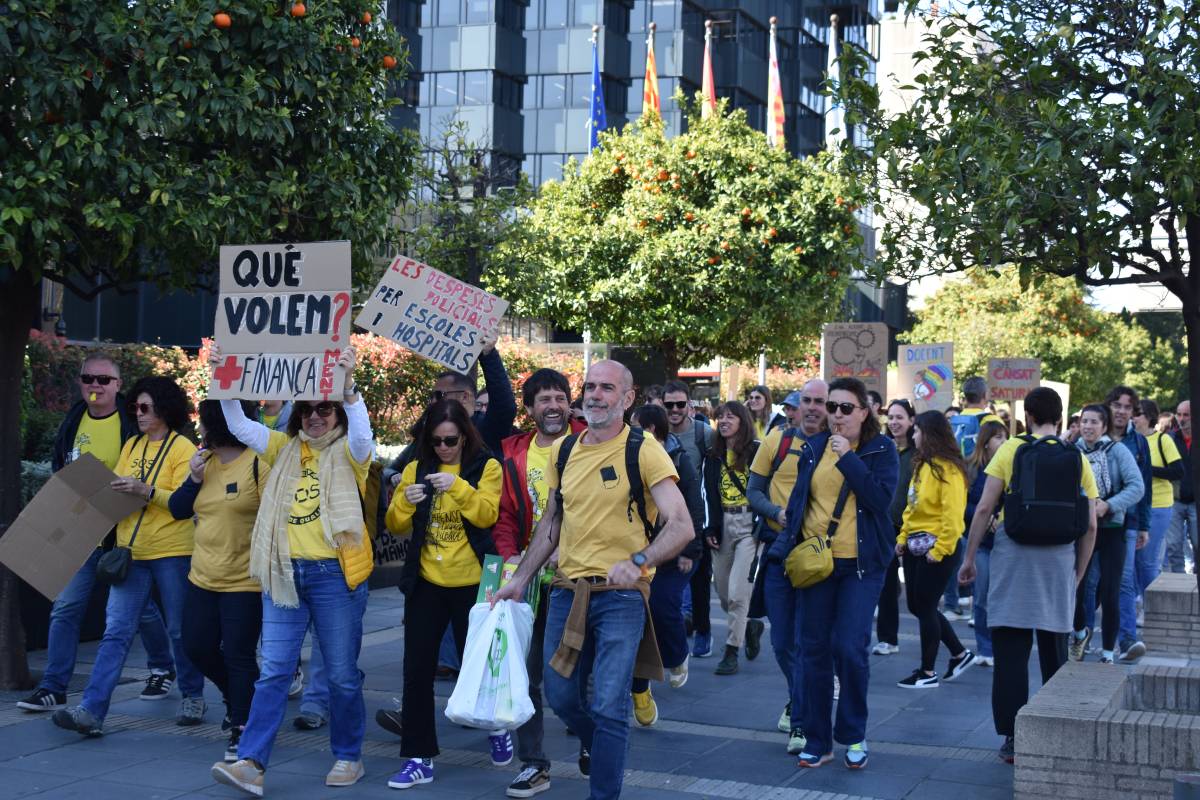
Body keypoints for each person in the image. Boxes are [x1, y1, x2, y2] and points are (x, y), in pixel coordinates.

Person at [492, 359, 693, 800]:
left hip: (622, 595)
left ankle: (603, 790)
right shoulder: (567, 450)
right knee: (561, 698)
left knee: (608, 704)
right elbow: (551, 523)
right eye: (590, 387)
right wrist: (521, 578)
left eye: (607, 388)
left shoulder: (643, 449)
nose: (595, 395)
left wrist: (639, 559)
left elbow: (681, 524)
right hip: (567, 592)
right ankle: (601, 744)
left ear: (627, 398)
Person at [210, 346, 375, 795]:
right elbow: (241, 426)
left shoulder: (352, 452)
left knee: (341, 673)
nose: (315, 417)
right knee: (274, 672)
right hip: (285, 575)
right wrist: (225, 382)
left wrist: (348, 389)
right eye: (307, 410)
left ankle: (348, 757)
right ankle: (251, 762)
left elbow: (362, 435)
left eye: (325, 409)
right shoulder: (283, 447)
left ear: (337, 414)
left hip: (334, 578)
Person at [17, 354, 177, 712]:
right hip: (82, 529)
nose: (95, 385)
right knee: (65, 607)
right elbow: (63, 466)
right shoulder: (74, 418)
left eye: (104, 380)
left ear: (118, 386)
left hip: (123, 531)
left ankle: (163, 666)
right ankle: (53, 687)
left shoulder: (132, 422)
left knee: (141, 609)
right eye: (88, 378)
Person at [52, 376, 201, 736]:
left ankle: (194, 695)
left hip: (172, 552)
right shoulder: (132, 445)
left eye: (145, 407)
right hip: (129, 552)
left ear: (165, 409)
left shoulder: (183, 449)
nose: (138, 413)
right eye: (135, 407)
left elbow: (184, 503)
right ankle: (91, 711)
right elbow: (117, 490)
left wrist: (144, 490)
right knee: (115, 631)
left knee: (179, 629)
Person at [959, 387, 1098, 764]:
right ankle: (1052, 730)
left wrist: (969, 557)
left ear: (1029, 415)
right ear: (1058, 416)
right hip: (1057, 563)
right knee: (1054, 651)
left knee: (1010, 654)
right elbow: (1088, 526)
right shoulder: (1077, 458)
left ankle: (1013, 738)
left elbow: (986, 506)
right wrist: (1078, 572)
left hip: (1013, 557)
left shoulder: (1010, 450)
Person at [771, 378, 898, 770]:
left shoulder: (881, 449)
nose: (837, 415)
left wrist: (848, 458)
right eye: (833, 407)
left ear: (865, 411)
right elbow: (801, 501)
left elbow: (879, 501)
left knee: (849, 647)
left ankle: (854, 733)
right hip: (817, 562)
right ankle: (817, 738)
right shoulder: (812, 448)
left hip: (861, 565)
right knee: (813, 651)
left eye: (846, 408)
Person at [384, 400, 504, 790]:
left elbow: (487, 515)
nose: (443, 448)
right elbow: (395, 524)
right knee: (416, 671)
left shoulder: (486, 466)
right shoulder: (416, 468)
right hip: (427, 581)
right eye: (435, 441)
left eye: (451, 440)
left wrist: (460, 488)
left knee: (482, 665)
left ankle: (497, 725)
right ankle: (418, 757)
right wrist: (405, 501)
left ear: (465, 435)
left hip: (474, 581)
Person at [492, 368, 582, 798]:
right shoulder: (514, 453)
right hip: (528, 580)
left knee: (574, 675)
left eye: (560, 398)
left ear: (569, 403)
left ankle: (591, 739)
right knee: (526, 677)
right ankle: (534, 765)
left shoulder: (590, 442)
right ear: (529, 409)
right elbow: (507, 513)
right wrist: (510, 555)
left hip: (578, 578)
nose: (553, 406)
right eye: (544, 399)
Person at [169, 399, 268, 762]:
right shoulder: (204, 463)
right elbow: (179, 510)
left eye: (203, 423)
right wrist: (193, 480)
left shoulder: (259, 462)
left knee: (240, 655)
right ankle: (236, 696)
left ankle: (242, 726)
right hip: (203, 577)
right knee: (196, 646)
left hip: (245, 580)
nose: (199, 430)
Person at [747, 378, 828, 751]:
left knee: (806, 640)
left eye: (819, 401)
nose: (812, 407)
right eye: (806, 401)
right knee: (782, 642)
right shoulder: (776, 441)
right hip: (779, 550)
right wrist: (777, 512)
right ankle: (799, 700)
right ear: (797, 407)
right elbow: (754, 491)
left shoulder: (839, 446)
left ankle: (801, 722)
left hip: (820, 555)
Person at [628, 403, 706, 726]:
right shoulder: (624, 456)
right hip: (633, 553)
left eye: (633, 425)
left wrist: (690, 549)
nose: (627, 430)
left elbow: (692, 508)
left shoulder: (678, 461)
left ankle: (676, 655)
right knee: (635, 622)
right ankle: (639, 690)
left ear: (651, 431)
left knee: (662, 608)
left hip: (674, 552)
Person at [895, 412, 974, 689]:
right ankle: (960, 653)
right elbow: (912, 506)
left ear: (929, 434)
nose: (912, 435)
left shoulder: (949, 469)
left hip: (937, 549)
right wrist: (903, 537)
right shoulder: (922, 465)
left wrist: (938, 551)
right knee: (917, 606)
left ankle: (927, 672)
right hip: (916, 546)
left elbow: (953, 518)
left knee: (926, 606)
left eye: (916, 431)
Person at [1070, 404, 1144, 663]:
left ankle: (1108, 652)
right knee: (1077, 589)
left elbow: (1137, 487)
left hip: (1112, 528)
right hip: (1081, 530)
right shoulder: (1072, 451)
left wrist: (1109, 505)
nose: (1088, 426)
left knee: (1111, 591)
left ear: (1104, 426)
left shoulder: (1117, 451)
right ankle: (1080, 633)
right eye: (1084, 421)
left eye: (1093, 422)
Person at [703, 401, 762, 676]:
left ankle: (731, 650)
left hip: (749, 523)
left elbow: (767, 488)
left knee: (739, 593)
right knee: (724, 594)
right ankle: (749, 625)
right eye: (720, 417)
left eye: (730, 417)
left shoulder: (756, 451)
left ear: (743, 421)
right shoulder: (712, 455)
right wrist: (709, 528)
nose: (724, 421)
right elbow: (708, 495)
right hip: (722, 524)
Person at [1119, 399, 1182, 656]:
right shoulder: (1130, 441)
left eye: (1140, 415)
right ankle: (1142, 609)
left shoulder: (1161, 440)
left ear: (1150, 417)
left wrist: (1146, 468)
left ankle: (1156, 613)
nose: (1134, 418)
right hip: (1134, 508)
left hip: (1158, 507)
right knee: (1131, 564)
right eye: (1134, 414)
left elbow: (1178, 471)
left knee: (1146, 563)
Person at [662, 380, 716, 658]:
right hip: (665, 515)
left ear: (689, 406)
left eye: (680, 404)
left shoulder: (702, 433)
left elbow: (719, 468)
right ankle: (680, 627)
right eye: (669, 404)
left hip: (697, 511)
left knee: (700, 576)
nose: (674, 409)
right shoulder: (655, 434)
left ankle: (704, 631)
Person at [1104, 386, 1152, 660]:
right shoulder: (1095, 432)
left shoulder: (1139, 442)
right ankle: (1082, 635)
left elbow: (1143, 485)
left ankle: (1127, 639)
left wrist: (1144, 525)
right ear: (1109, 407)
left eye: (1127, 407)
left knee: (1123, 581)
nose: (1121, 411)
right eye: (1117, 405)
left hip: (1129, 520)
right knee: (1092, 582)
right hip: (1096, 520)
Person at [964, 419, 1010, 667]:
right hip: (980, 541)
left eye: (1005, 437)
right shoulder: (971, 468)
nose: (1003, 442)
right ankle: (984, 646)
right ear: (986, 441)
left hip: (1004, 540)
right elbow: (964, 503)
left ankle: (1000, 644)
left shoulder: (1011, 464)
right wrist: (984, 517)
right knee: (982, 594)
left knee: (1000, 596)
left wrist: (998, 517)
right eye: (998, 437)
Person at [874, 399, 915, 656]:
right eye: (891, 417)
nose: (894, 422)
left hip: (913, 528)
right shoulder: (882, 449)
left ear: (911, 420)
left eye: (900, 417)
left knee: (917, 593)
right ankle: (888, 638)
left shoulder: (919, 453)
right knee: (886, 584)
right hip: (885, 526)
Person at [1165, 400, 1195, 574]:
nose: (1182, 419)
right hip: (1175, 499)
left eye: (1186, 415)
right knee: (1173, 545)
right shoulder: (1170, 438)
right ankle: (1179, 580)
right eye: (1179, 414)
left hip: (1194, 501)